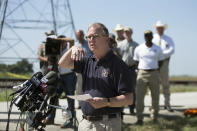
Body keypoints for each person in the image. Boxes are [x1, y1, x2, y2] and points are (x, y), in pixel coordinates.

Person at [59, 22, 134, 131]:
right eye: (88, 37)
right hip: (85, 123)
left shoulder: (118, 64)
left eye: (95, 36)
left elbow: (129, 99)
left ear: (107, 40)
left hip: (107, 124)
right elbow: (62, 63)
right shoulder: (87, 61)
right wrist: (72, 48)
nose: (90, 39)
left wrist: (106, 102)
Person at [134, 30, 164, 125]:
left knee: (155, 96)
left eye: (149, 35)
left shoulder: (158, 49)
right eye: (146, 35)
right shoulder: (139, 48)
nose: (148, 37)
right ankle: (139, 118)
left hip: (154, 73)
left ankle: (154, 117)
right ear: (144, 37)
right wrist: (143, 68)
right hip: (142, 73)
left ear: (152, 37)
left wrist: (153, 68)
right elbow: (136, 61)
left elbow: (161, 61)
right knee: (139, 97)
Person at [152, 20, 175, 112]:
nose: (160, 29)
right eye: (158, 28)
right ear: (156, 29)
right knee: (154, 84)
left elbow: (172, 50)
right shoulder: (152, 38)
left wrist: (162, 54)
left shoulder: (168, 39)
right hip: (154, 63)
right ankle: (154, 105)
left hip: (164, 62)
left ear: (163, 28)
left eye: (161, 28)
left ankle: (167, 103)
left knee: (165, 83)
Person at [57, 35, 77, 128]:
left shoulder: (70, 48)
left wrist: (60, 39)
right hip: (60, 77)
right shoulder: (57, 50)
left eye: (62, 41)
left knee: (70, 99)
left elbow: (72, 40)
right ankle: (50, 117)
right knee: (54, 96)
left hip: (69, 76)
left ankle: (70, 120)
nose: (61, 43)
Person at [118, 27, 138, 114]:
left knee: (132, 89)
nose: (127, 34)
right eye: (125, 32)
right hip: (123, 68)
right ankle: (121, 109)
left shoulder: (136, 45)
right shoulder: (121, 44)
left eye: (128, 32)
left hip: (132, 68)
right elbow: (118, 55)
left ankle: (132, 108)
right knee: (122, 89)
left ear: (131, 33)